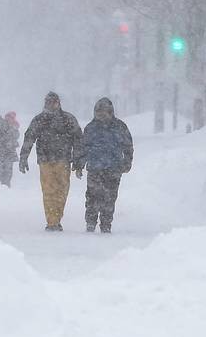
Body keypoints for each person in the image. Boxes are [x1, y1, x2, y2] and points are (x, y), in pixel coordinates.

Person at [19, 92, 83, 231]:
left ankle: (56, 218)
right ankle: (52, 222)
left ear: (59, 103)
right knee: (49, 191)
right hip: (46, 160)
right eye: (49, 102)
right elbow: (29, 137)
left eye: (54, 102)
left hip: (63, 160)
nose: (52, 104)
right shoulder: (40, 119)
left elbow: (78, 139)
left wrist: (78, 160)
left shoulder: (67, 119)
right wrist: (23, 157)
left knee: (61, 191)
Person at [76, 98, 134, 233]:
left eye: (104, 112)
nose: (101, 115)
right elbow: (83, 147)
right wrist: (79, 164)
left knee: (109, 198)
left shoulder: (120, 127)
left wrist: (127, 162)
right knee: (92, 197)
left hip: (113, 169)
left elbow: (128, 146)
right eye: (99, 112)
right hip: (95, 169)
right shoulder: (91, 128)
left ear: (110, 112)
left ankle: (106, 224)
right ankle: (90, 223)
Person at [0, 111, 20, 187]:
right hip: (4, 149)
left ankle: (6, 182)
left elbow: (16, 135)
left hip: (6, 149)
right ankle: (4, 182)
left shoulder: (11, 124)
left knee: (6, 167)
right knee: (4, 167)